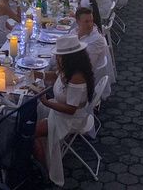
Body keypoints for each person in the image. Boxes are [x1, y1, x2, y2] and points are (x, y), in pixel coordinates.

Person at [32, 35, 96, 187]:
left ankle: (45, 169)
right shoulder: (70, 69)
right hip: (60, 111)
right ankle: (43, 152)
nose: (57, 58)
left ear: (69, 57)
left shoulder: (77, 77)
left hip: (70, 120)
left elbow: (71, 110)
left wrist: (46, 102)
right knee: (32, 114)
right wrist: (37, 74)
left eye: (59, 56)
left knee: (29, 133)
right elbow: (55, 77)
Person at [75, 7, 108, 75]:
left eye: (91, 21)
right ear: (77, 22)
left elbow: (87, 66)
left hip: (87, 78)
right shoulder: (74, 32)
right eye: (86, 21)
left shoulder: (96, 40)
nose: (90, 25)